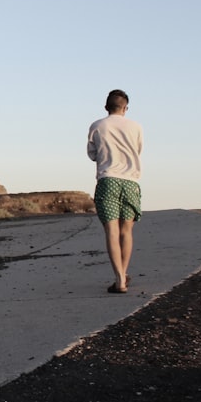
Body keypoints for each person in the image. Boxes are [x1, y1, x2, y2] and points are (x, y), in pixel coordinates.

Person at [87, 89, 143, 294]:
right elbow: (138, 150)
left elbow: (92, 155)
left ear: (106, 107)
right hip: (130, 182)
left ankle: (119, 278)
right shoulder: (136, 127)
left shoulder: (97, 126)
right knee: (126, 230)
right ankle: (124, 273)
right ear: (125, 108)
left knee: (111, 231)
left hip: (107, 179)